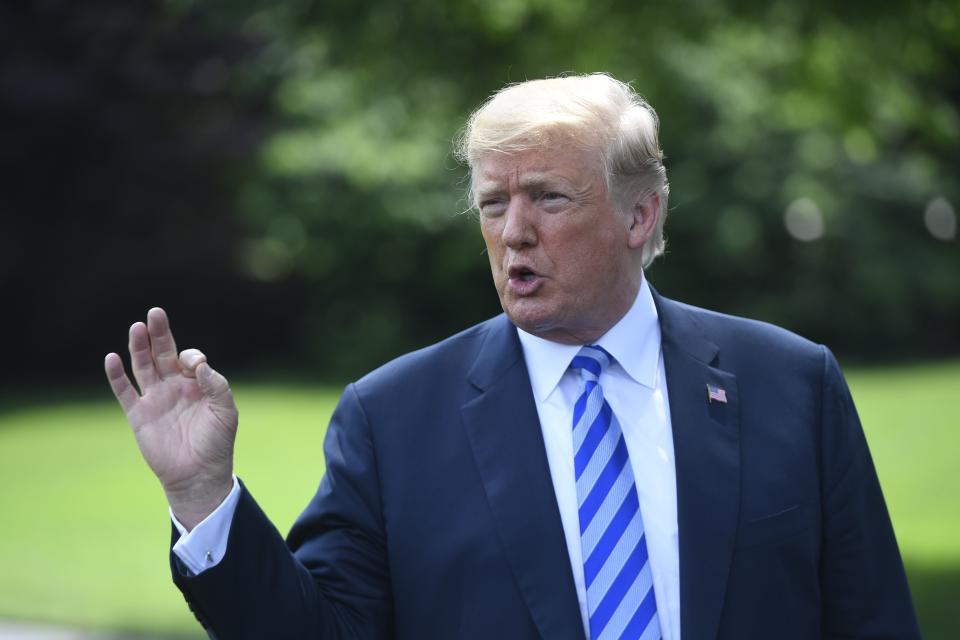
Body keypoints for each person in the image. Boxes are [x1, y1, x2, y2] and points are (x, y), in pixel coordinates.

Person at [105, 73, 920, 639]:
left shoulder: (790, 385)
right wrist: (204, 495)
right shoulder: (393, 420)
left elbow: (873, 621)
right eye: (494, 203)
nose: (513, 231)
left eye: (549, 197)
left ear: (641, 215)